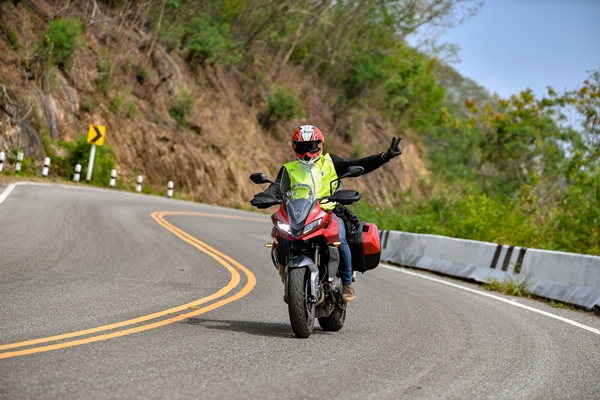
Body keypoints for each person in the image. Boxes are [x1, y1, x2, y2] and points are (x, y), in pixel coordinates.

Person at [257, 125, 402, 302]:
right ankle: (289, 278)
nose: (307, 152)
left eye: (311, 146)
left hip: (328, 211)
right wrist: (264, 196)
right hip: (299, 213)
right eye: (302, 147)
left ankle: (347, 283)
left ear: (320, 145)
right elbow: (276, 187)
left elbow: (357, 164)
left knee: (339, 239)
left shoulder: (330, 162)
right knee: (279, 240)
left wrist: (383, 157)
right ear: (294, 147)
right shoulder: (289, 169)